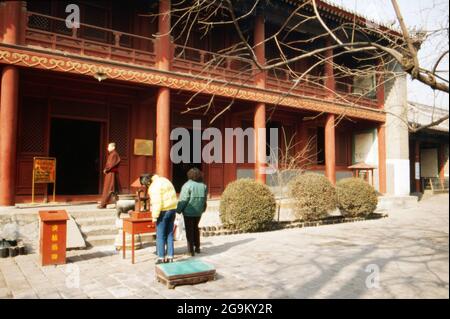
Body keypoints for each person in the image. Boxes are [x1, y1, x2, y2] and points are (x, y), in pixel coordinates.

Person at [177, 168, 208, 257]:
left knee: (189, 230)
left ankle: (190, 250)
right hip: (198, 211)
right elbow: (205, 199)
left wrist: (178, 210)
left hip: (188, 211)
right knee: (195, 228)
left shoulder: (187, 185)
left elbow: (183, 199)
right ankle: (197, 247)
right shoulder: (203, 186)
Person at [148, 174, 178, 264]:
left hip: (163, 211)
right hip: (172, 209)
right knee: (169, 234)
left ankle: (161, 258)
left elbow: (157, 203)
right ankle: (170, 257)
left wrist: (154, 217)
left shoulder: (154, 186)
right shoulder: (166, 180)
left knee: (160, 236)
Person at [98, 143, 121, 209]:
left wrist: (106, 169)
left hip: (111, 173)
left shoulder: (114, 154)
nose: (107, 148)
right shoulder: (113, 154)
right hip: (112, 173)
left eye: (109, 147)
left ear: (113, 147)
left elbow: (111, 164)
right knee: (114, 189)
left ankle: (103, 204)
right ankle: (117, 203)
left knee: (108, 188)